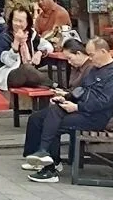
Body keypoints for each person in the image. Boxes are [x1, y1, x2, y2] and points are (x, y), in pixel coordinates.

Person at [27, 37, 113, 182]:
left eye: (91, 55)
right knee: (53, 111)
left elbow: (103, 102)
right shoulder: (94, 69)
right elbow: (81, 91)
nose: (90, 58)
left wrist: (77, 107)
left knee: (51, 123)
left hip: (95, 117)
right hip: (82, 110)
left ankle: (50, 168)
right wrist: (66, 98)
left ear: (103, 52)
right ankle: (44, 155)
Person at [20, 38, 89, 167]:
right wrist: (63, 95)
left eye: (70, 58)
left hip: (78, 107)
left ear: (79, 53)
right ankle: (33, 155)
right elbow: (73, 90)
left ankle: (53, 161)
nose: (69, 62)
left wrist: (67, 97)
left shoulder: (89, 69)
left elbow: (83, 92)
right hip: (69, 101)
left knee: (50, 120)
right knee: (35, 118)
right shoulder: (76, 68)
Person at [0, 5, 51, 91]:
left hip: (30, 74)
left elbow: (48, 45)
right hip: (9, 75)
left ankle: (53, 89)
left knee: (39, 82)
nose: (17, 24)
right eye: (15, 20)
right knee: (26, 68)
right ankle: (56, 86)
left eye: (21, 21)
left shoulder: (30, 34)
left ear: (27, 22)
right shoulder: (4, 37)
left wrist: (40, 53)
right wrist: (16, 42)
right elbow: (9, 62)